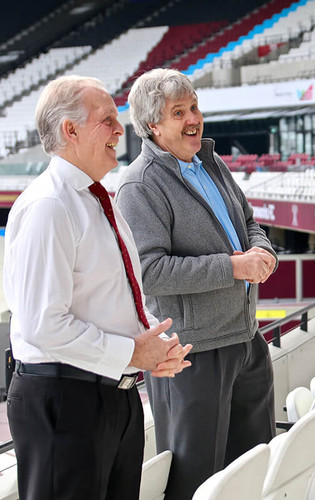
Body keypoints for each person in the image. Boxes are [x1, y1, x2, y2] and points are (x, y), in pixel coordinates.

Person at [3, 75, 192, 500]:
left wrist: (148, 350)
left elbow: (111, 297)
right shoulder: (49, 207)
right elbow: (42, 326)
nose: (119, 130)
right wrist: (130, 353)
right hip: (65, 403)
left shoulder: (95, 199)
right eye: (106, 120)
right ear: (70, 131)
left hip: (112, 397)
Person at [115, 68, 278, 500]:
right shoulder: (139, 186)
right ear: (153, 125)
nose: (193, 119)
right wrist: (233, 267)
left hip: (246, 338)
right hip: (191, 353)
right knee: (196, 481)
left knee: (254, 468)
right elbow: (150, 272)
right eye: (178, 112)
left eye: (194, 107)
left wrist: (262, 254)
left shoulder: (210, 161)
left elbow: (248, 223)